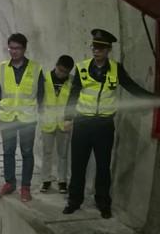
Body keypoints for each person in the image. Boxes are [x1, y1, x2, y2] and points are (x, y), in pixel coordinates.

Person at [63, 29, 154, 219]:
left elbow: (131, 86)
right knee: (78, 165)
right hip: (82, 123)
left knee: (103, 166)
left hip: (104, 125)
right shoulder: (81, 67)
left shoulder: (115, 68)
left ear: (108, 50)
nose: (96, 51)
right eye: (94, 47)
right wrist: (67, 118)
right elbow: (74, 94)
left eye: (101, 48)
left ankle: (103, 202)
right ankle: (74, 200)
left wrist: (153, 98)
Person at [0, 33, 44, 202]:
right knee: (8, 151)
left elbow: (41, 93)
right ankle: (9, 183)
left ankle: (25, 187)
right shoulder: (1, 68)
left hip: (28, 118)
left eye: (17, 48)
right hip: (7, 116)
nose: (14, 51)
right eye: (11, 48)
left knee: (27, 152)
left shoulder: (36, 68)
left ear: (24, 49)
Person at [40, 55, 75, 193]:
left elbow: (73, 101)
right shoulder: (44, 78)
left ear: (69, 71)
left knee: (63, 154)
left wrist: (70, 118)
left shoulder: (72, 81)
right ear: (56, 65)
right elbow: (39, 97)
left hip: (64, 122)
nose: (61, 74)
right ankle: (46, 180)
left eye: (65, 72)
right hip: (47, 121)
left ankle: (62, 181)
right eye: (60, 70)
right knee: (47, 152)